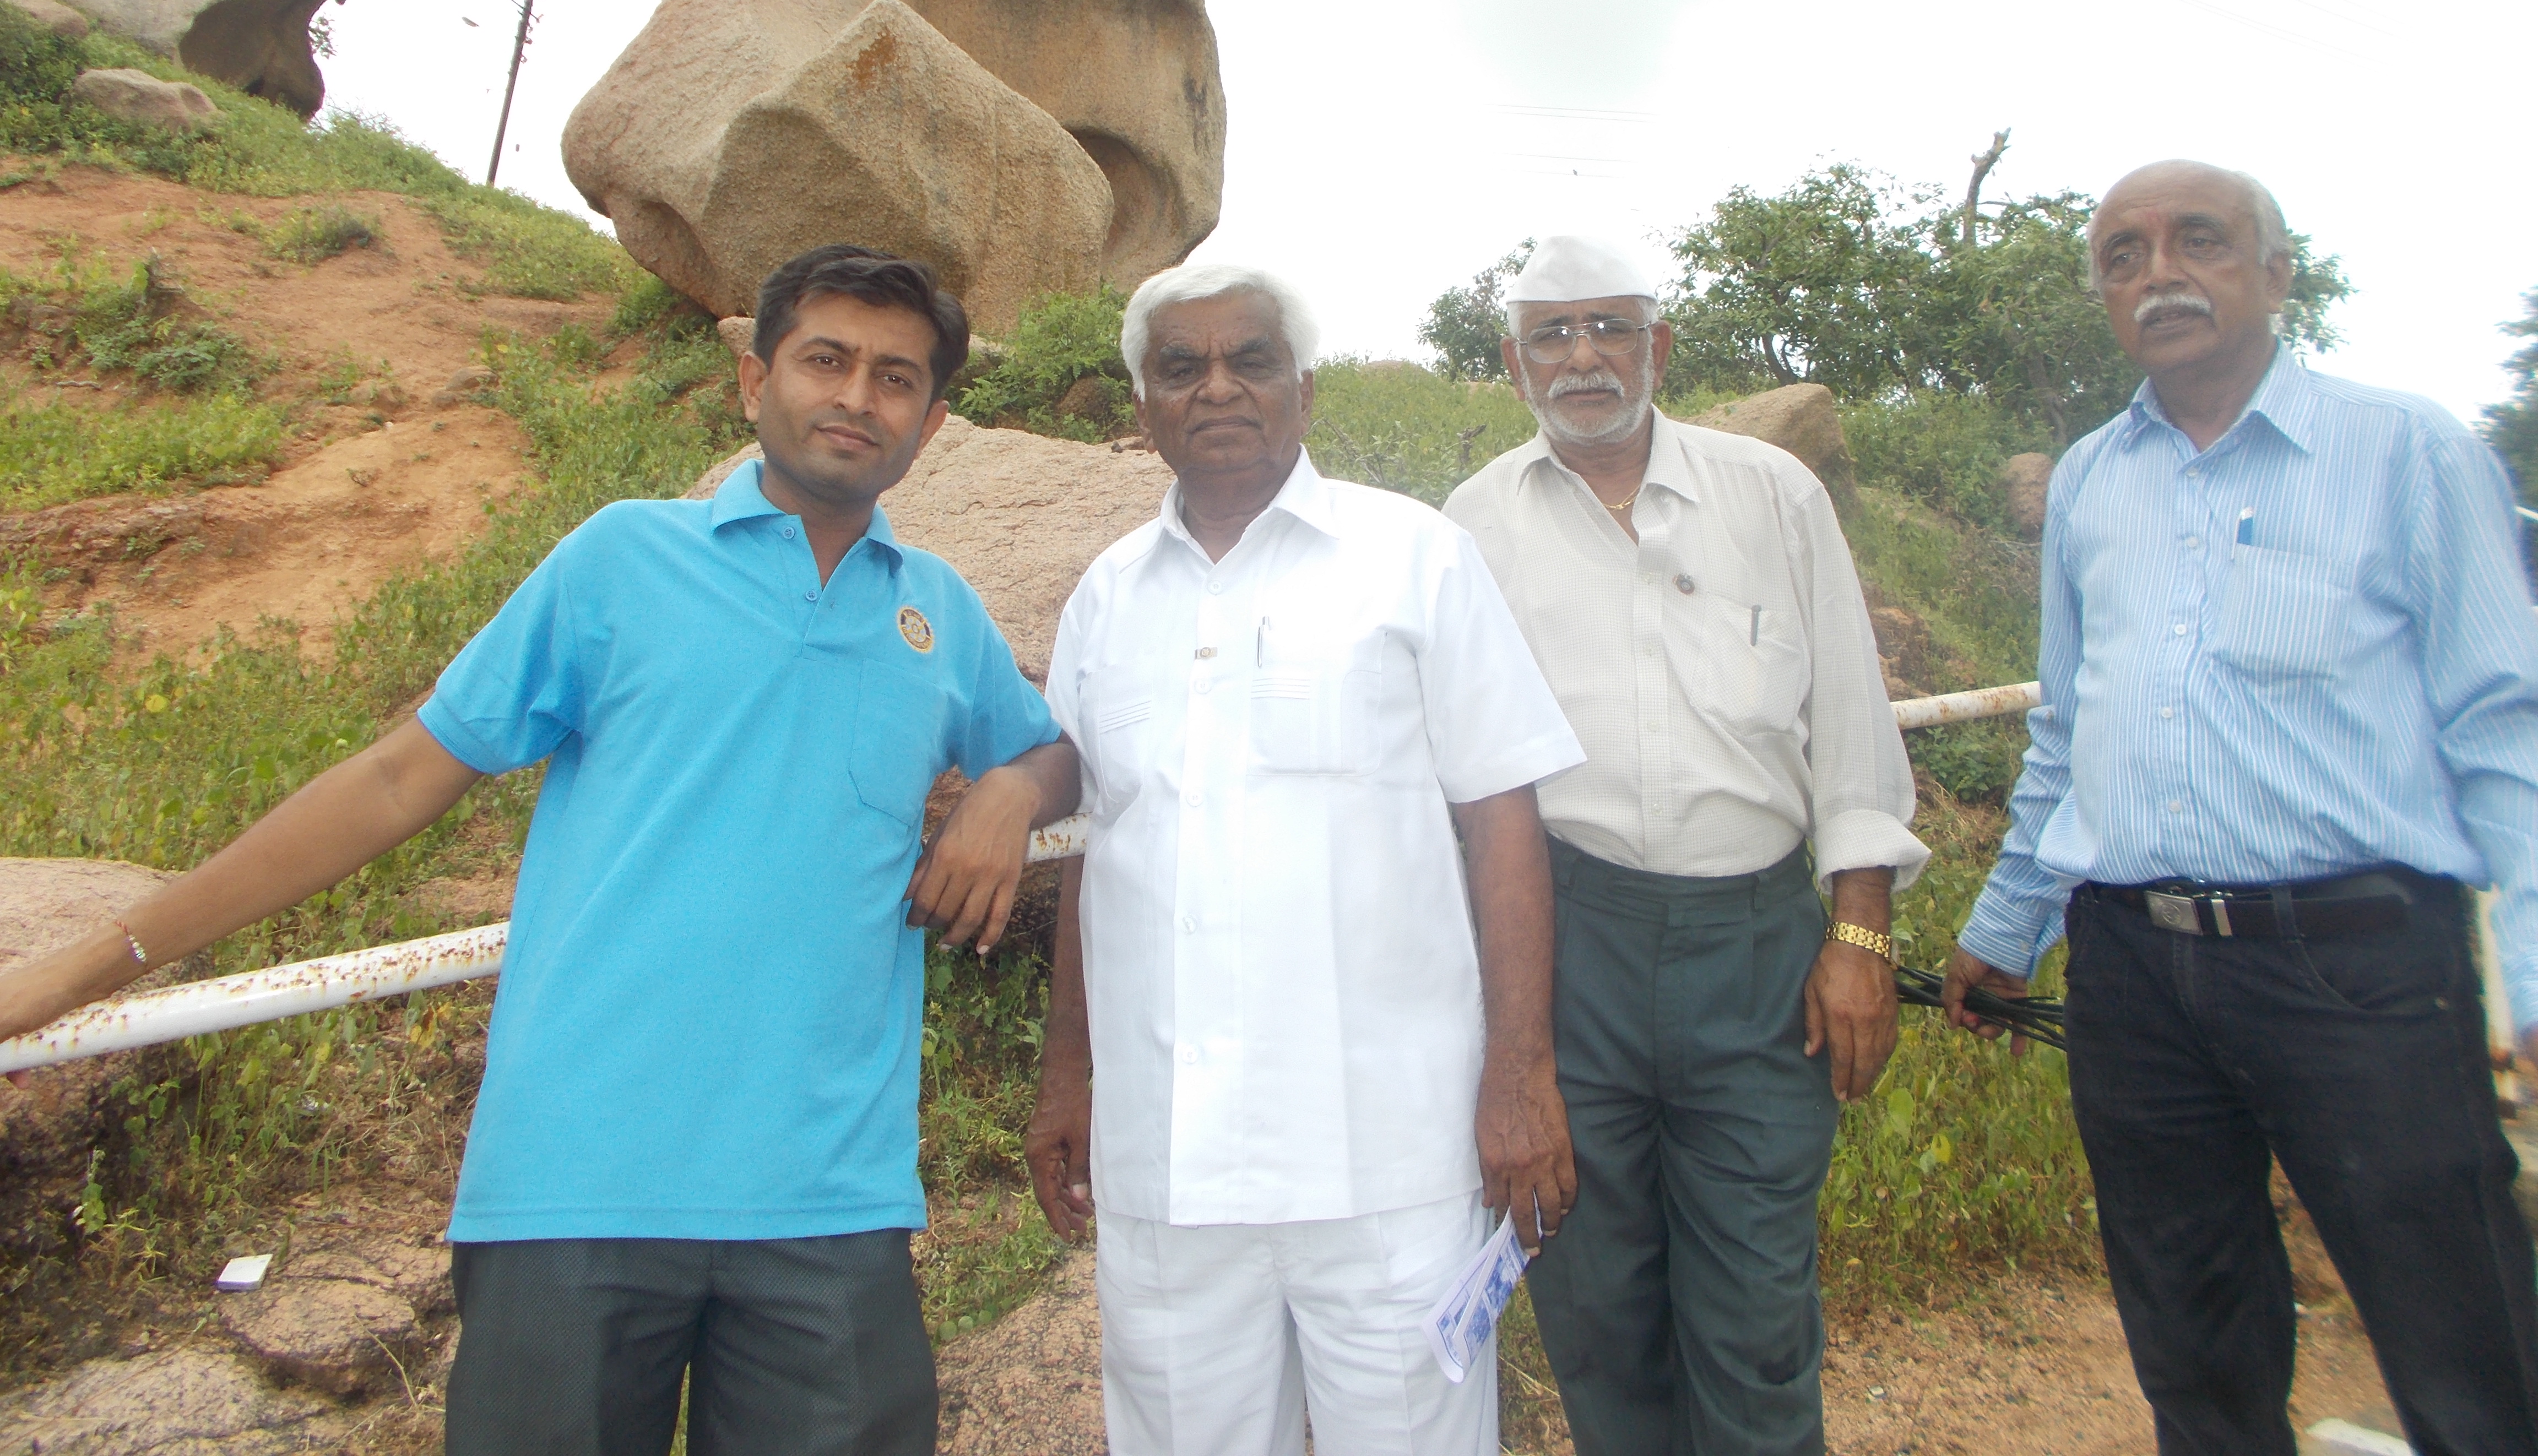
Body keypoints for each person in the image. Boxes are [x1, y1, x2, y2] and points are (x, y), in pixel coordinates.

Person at [0, 243, 1080, 1456]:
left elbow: (1059, 759)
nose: (854, 397)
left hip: (830, 1204)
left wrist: (1007, 787)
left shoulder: (936, 611)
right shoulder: (623, 559)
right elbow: (395, 777)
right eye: (824, 360)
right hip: (574, 1186)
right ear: (752, 381)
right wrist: (102, 960)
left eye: (895, 379)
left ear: (930, 426)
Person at [1942, 160, 2538, 1454]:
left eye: (2196, 241)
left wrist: (2537, 976)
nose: (2159, 273)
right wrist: (2007, 924)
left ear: (2276, 272)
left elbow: (2507, 727)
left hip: (2362, 966)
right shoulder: (2096, 482)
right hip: (2135, 972)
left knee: (2463, 1334)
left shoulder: (2411, 449)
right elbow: (2070, 726)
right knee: (2193, 1347)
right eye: (2123, 255)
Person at [1024, 262, 1586, 1456]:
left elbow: (1503, 822)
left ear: (1305, 391)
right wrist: (1067, 1072)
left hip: (1391, 1159)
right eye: (1181, 367)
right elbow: (1096, 849)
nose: (1217, 386)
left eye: (1251, 360)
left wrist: (1522, 1078)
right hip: (1167, 1167)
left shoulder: (1415, 558)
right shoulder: (1107, 599)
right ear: (1143, 406)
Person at [1442, 233, 1926, 1456]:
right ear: (1513, 365)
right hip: (1569, 948)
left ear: (1660, 346)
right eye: (1551, 334)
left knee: (1757, 1315)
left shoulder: (1774, 494)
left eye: (1609, 327)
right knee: (1595, 1307)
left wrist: (1860, 930)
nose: (1583, 356)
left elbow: (1851, 732)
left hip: (1759, 953)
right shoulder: (1473, 525)